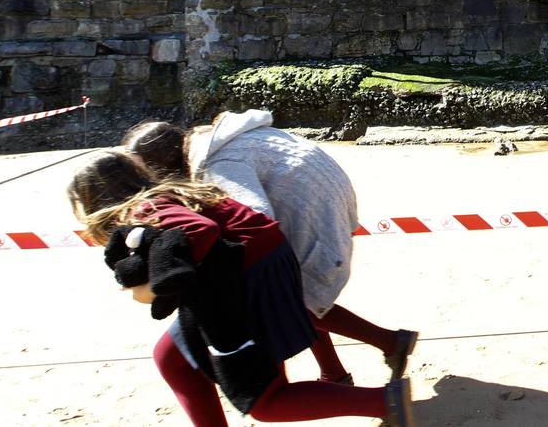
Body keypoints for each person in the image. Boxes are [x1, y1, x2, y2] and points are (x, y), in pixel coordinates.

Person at [68, 151, 413, 427]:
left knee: (265, 400)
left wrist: (163, 285)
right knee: (171, 357)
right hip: (254, 269)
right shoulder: (168, 195)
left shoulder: (145, 208)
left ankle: (385, 401)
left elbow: (200, 232)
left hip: (249, 281)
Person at [123, 114, 418, 387]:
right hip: (321, 198)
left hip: (311, 211)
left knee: (287, 299)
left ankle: (390, 343)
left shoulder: (218, 163)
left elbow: (255, 219)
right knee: (301, 294)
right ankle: (338, 371)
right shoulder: (217, 140)